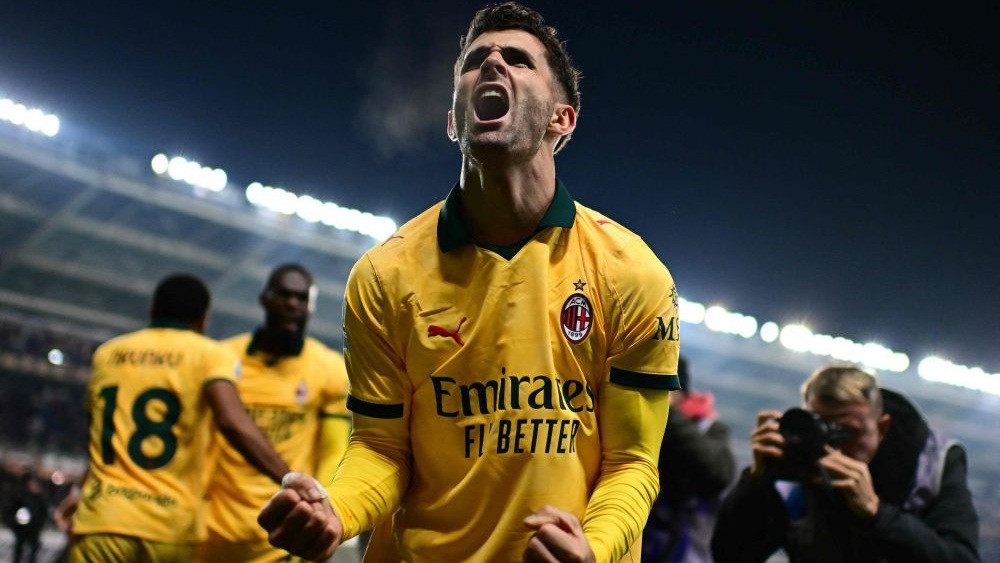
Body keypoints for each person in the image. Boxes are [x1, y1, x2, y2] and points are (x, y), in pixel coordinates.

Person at [258, 3, 681, 562]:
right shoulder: (384, 274)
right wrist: (337, 511)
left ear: (562, 119)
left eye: (518, 60)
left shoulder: (630, 271)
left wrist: (594, 549)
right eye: (476, 60)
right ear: (454, 122)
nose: (494, 64)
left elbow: (632, 463)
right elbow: (380, 448)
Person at [67, 273, 291, 562]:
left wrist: (79, 491)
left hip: (104, 518)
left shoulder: (108, 354)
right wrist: (289, 478)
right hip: (170, 527)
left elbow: (98, 439)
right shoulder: (211, 355)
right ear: (203, 319)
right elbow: (231, 421)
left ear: (152, 311)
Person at [711, 365, 980, 563]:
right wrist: (757, 481)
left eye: (849, 433)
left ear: (882, 428)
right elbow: (731, 555)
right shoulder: (796, 462)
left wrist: (878, 515)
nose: (834, 449)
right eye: (824, 429)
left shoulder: (933, 462)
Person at [196, 264, 350, 563]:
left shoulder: (329, 368)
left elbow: (334, 451)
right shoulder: (223, 357)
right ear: (264, 298)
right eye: (284, 295)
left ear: (310, 307)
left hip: (283, 533)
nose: (292, 303)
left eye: (301, 298)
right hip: (214, 529)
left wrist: (317, 506)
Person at [642, 357, 735, 562]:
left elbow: (719, 472)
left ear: (681, 393)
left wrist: (665, 412)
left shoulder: (707, 427)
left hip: (684, 551)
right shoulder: (637, 420)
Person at [3, 471, 48, 563]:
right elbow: (10, 510)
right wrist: (14, 523)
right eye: (32, 482)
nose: (34, 485)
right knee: (19, 550)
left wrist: (39, 524)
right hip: (21, 529)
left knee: (34, 548)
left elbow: (43, 512)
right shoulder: (19, 496)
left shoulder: (40, 497)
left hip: (34, 529)